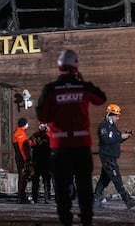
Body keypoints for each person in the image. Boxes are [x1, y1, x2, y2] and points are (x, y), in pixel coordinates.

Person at [36, 49, 107, 226]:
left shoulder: (51, 89)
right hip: (81, 145)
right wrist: (83, 82)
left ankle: (65, 218)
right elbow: (101, 99)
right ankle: (87, 218)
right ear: (76, 65)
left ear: (59, 66)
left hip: (60, 146)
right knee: (84, 184)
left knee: (62, 184)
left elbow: (42, 116)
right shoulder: (82, 87)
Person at [94, 104, 135, 210]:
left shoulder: (113, 127)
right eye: (116, 116)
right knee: (116, 178)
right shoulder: (103, 126)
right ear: (110, 115)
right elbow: (107, 139)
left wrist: (126, 135)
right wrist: (120, 136)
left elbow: (117, 138)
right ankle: (127, 200)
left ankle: (95, 200)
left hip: (112, 156)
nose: (118, 118)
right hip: (107, 157)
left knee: (104, 179)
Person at [29, 123, 52, 204]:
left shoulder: (48, 135)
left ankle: (45, 198)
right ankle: (38, 198)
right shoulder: (36, 135)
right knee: (38, 180)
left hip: (44, 161)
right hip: (39, 161)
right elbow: (29, 144)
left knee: (45, 180)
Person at [13, 117, 32, 204]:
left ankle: (21, 196)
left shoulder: (20, 133)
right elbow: (22, 148)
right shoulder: (20, 134)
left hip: (20, 158)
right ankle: (21, 197)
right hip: (21, 159)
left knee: (23, 177)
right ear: (24, 124)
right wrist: (27, 159)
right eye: (26, 123)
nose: (28, 125)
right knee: (22, 177)